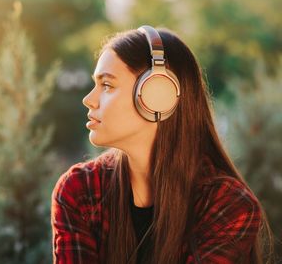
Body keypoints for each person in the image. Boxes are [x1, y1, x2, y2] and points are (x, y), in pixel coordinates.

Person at [51, 25, 273, 264]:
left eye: (107, 85)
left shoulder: (228, 204)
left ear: (158, 96)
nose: (89, 100)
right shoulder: (80, 190)